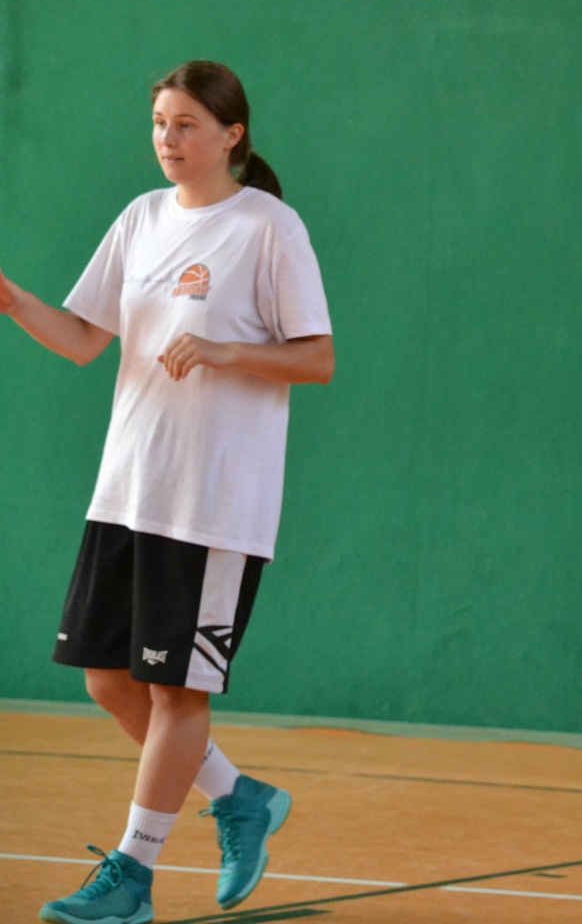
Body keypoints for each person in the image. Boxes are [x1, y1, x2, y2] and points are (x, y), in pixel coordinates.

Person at [1, 61, 334, 924]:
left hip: (214, 502)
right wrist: (12, 301)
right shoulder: (140, 219)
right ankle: (239, 798)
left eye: (186, 124)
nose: (168, 139)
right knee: (107, 681)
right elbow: (84, 339)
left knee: (178, 693)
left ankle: (134, 874)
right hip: (127, 489)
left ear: (231, 134)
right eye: (159, 123)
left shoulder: (268, 227)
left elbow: (318, 358)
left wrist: (227, 351)